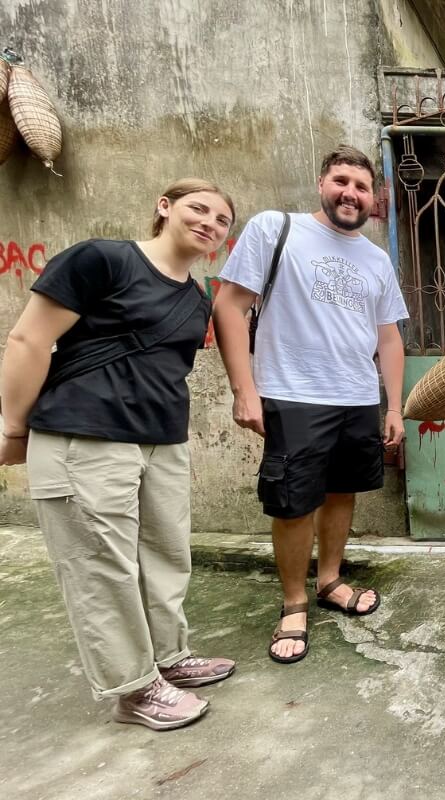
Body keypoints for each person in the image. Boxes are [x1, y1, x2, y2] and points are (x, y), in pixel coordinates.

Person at [0, 179, 239, 731]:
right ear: (164, 207)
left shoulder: (195, 297)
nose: (209, 223)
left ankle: (168, 657)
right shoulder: (103, 259)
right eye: (197, 209)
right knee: (101, 566)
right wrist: (14, 428)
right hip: (85, 435)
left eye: (222, 220)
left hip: (159, 440)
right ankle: (132, 689)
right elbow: (29, 341)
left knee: (165, 553)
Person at [212, 145, 407, 665]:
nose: (351, 193)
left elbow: (388, 337)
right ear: (322, 182)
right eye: (342, 181)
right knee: (295, 503)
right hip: (294, 393)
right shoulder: (277, 229)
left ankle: (329, 581)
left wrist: (393, 407)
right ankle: (293, 602)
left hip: (357, 396)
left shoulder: (377, 259)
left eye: (362, 187)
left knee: (343, 493)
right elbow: (229, 305)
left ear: (374, 198)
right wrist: (243, 389)